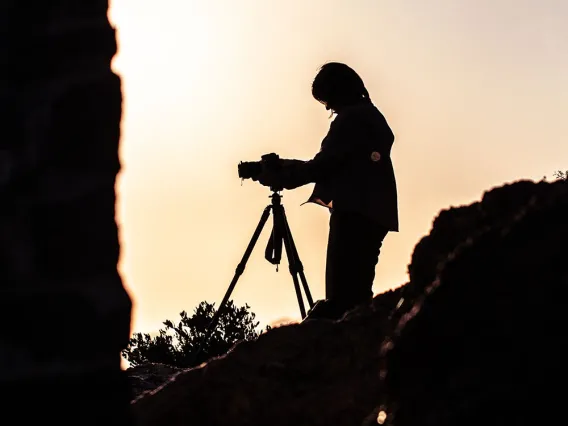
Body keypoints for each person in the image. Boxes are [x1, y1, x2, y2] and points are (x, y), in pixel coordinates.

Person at [254, 62, 399, 320]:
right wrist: (287, 169)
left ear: (338, 92)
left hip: (354, 213)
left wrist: (283, 175)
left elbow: (323, 166)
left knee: (341, 299)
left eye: (327, 100)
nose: (328, 108)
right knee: (357, 293)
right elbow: (333, 163)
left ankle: (338, 347)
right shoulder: (371, 116)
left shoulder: (351, 119)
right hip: (374, 214)